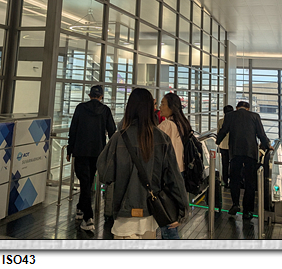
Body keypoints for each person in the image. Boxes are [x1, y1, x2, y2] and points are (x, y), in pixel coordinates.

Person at [97, 88, 187, 239]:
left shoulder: (119, 138)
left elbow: (105, 174)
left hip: (124, 215)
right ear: (150, 109)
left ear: (129, 108)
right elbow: (174, 177)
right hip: (150, 214)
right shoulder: (162, 138)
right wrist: (183, 209)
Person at [67, 85, 116, 231]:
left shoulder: (80, 108)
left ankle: (88, 218)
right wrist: (112, 152)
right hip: (97, 152)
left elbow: (73, 129)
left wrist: (69, 149)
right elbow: (112, 131)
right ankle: (81, 208)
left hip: (80, 151)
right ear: (101, 96)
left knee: (85, 182)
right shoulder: (105, 110)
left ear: (89, 95)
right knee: (88, 182)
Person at [216, 100, 272, 220]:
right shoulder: (255, 116)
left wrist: (217, 142)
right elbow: (261, 134)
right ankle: (247, 211)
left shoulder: (230, 116)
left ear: (237, 108)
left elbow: (223, 131)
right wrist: (268, 146)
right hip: (250, 153)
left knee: (234, 179)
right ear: (248, 108)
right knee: (250, 182)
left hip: (235, 152)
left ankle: (235, 204)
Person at [156, 92, 193, 239]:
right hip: (180, 172)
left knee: (168, 221)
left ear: (171, 107)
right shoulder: (183, 123)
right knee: (173, 217)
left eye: (163, 104)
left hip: (169, 174)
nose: (160, 107)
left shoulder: (167, 125)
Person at [217, 105, 234, 187]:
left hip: (223, 145)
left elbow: (218, 133)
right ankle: (232, 181)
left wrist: (218, 142)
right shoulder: (235, 121)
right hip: (232, 146)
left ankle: (225, 181)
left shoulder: (220, 121)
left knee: (225, 164)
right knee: (233, 164)